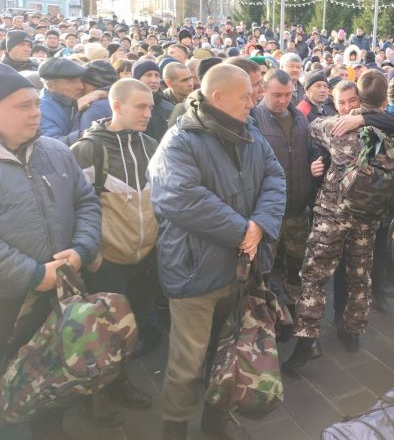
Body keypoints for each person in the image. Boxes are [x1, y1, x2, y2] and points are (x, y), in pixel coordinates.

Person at [149, 64, 286, 440]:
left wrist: (259, 224)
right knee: (186, 363)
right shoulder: (179, 142)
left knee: (227, 353)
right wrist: (244, 231)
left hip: (240, 268)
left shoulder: (251, 133)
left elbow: (275, 177)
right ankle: (175, 427)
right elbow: (181, 198)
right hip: (196, 272)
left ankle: (216, 417)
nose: (253, 101)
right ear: (218, 97)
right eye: (245, 96)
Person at [284, 70, 394, 368]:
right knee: (360, 276)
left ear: (358, 97)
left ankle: (306, 341)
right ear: (385, 100)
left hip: (332, 215)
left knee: (315, 276)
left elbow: (310, 125)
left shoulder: (337, 127)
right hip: (367, 220)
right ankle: (352, 331)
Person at [0, 64, 101, 440]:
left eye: (35, 104)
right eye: (22, 106)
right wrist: (32, 274)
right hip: (9, 302)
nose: (36, 113)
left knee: (54, 374)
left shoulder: (56, 151)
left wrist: (81, 248)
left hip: (59, 295)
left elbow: (87, 202)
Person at [70, 79, 158, 413]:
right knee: (102, 334)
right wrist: (92, 255)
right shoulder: (89, 148)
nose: (148, 113)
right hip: (108, 263)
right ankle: (98, 395)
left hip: (145, 257)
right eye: (140, 106)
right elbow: (76, 206)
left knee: (131, 327)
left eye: (150, 107)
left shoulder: (151, 144)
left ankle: (119, 382)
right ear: (117, 106)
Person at [254, 68, 323, 328]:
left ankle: (292, 310)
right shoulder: (254, 119)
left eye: (288, 94)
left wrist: (314, 163)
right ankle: (264, 316)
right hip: (267, 214)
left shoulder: (299, 118)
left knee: (297, 264)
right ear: (263, 90)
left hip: (296, 209)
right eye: (276, 95)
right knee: (262, 269)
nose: (282, 100)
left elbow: (308, 150)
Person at [39, 57, 101, 145]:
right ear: (50, 86)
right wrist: (91, 132)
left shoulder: (72, 96)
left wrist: (101, 93)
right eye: (72, 81)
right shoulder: (41, 110)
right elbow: (54, 145)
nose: (80, 87)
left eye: (80, 80)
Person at [131, 59, 174, 142]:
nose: (154, 80)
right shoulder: (127, 106)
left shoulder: (169, 108)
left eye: (157, 75)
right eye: (148, 75)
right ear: (137, 78)